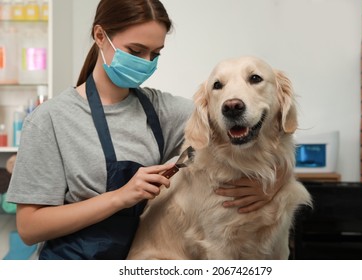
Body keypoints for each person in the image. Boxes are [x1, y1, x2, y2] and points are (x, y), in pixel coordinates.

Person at [6, 0, 282, 260]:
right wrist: (120, 197)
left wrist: (274, 187)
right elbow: (30, 227)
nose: (147, 62)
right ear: (100, 36)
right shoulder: (51, 119)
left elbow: (265, 130)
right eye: (136, 52)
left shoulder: (163, 111)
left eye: (155, 54)